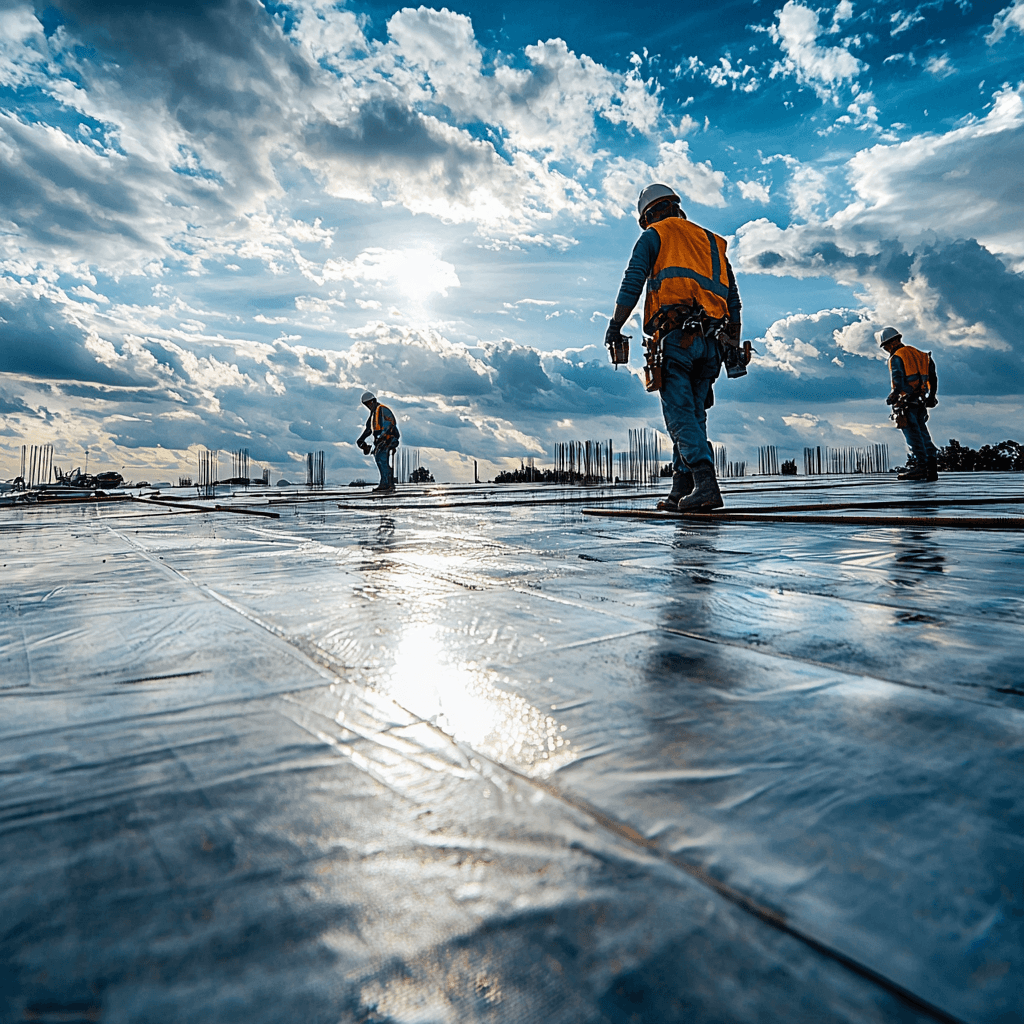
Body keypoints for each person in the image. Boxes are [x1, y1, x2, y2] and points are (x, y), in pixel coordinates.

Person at [605, 184, 742, 510]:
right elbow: (733, 301)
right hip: (712, 344)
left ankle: (706, 485)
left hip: (676, 340)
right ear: (676, 207)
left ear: (650, 215)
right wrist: (733, 345)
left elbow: (633, 279)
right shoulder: (712, 243)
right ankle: (682, 489)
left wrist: (615, 325)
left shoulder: (656, 235)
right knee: (694, 415)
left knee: (680, 416)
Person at [878, 327, 938, 482]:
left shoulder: (897, 357)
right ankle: (931, 467)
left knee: (913, 436)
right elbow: (933, 376)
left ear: (889, 344)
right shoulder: (921, 355)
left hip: (906, 403)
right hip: (920, 402)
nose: (886, 350)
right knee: (923, 433)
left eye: (885, 346)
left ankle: (921, 467)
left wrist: (894, 396)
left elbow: (898, 381)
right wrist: (931, 396)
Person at [356, 391, 400, 492]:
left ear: (374, 401)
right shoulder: (373, 415)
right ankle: (387, 482)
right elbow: (369, 429)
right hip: (380, 440)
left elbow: (390, 423)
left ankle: (386, 483)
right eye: (366, 405)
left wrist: (382, 436)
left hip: (388, 439)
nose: (368, 406)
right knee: (379, 459)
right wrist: (361, 440)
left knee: (381, 458)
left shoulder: (383, 410)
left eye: (369, 404)